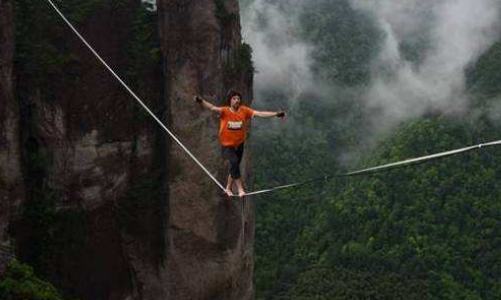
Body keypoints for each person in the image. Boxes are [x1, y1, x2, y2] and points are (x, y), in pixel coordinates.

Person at [195, 90, 285, 198]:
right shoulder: (225, 111)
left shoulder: (244, 111)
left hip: (239, 144)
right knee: (234, 162)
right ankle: (240, 189)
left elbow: (259, 113)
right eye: (234, 99)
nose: (237, 100)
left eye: (238, 99)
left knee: (235, 166)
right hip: (227, 145)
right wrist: (201, 101)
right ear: (230, 101)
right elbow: (212, 108)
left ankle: (228, 188)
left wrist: (275, 114)